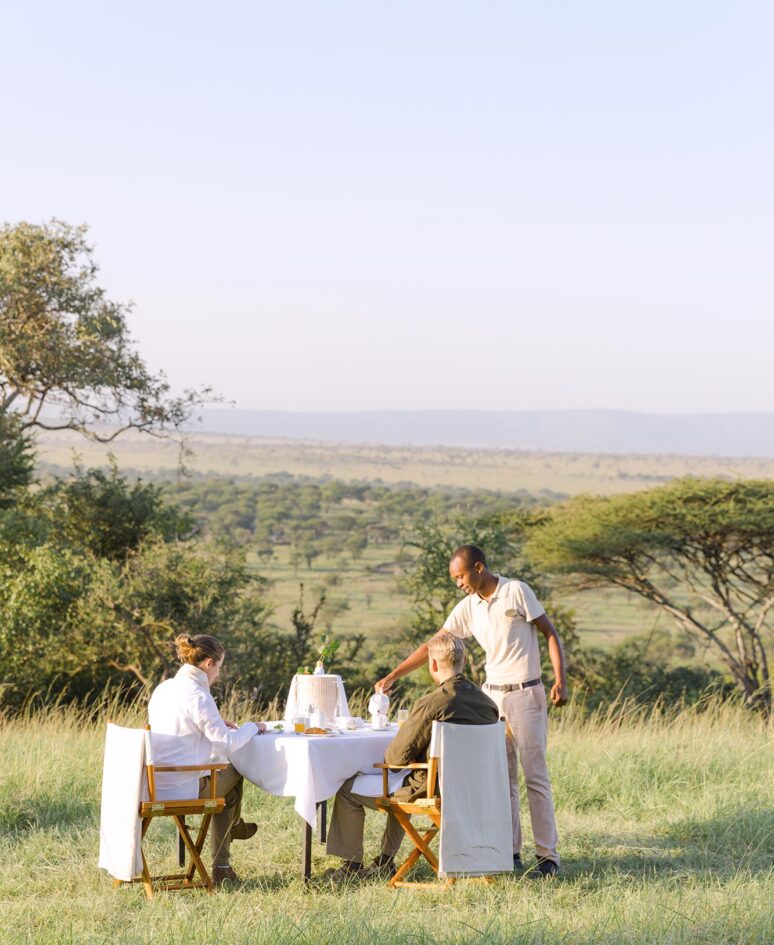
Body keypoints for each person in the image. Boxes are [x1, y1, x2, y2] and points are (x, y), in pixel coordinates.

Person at [376, 545, 567, 878]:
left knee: (535, 776)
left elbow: (550, 633)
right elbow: (434, 645)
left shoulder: (516, 591)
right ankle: (511, 853)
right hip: (492, 700)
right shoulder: (468, 607)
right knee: (502, 779)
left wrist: (560, 681)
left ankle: (547, 857)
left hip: (526, 693)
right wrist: (394, 674)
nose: (458, 583)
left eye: (461, 576)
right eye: (455, 578)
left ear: (479, 568)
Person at [325, 631, 498, 882]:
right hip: (475, 791)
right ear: (461, 661)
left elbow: (395, 759)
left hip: (433, 790)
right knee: (406, 781)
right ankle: (384, 861)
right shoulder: (488, 704)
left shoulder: (432, 703)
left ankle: (351, 866)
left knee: (348, 790)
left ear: (434, 664)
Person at [148, 633, 265, 886]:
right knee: (236, 769)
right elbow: (228, 742)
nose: (219, 675)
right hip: (183, 789)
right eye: (219, 667)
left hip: (154, 785)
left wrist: (215, 723)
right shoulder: (199, 696)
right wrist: (253, 726)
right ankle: (229, 841)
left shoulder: (164, 688)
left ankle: (230, 842)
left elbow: (177, 723)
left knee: (225, 789)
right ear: (209, 663)